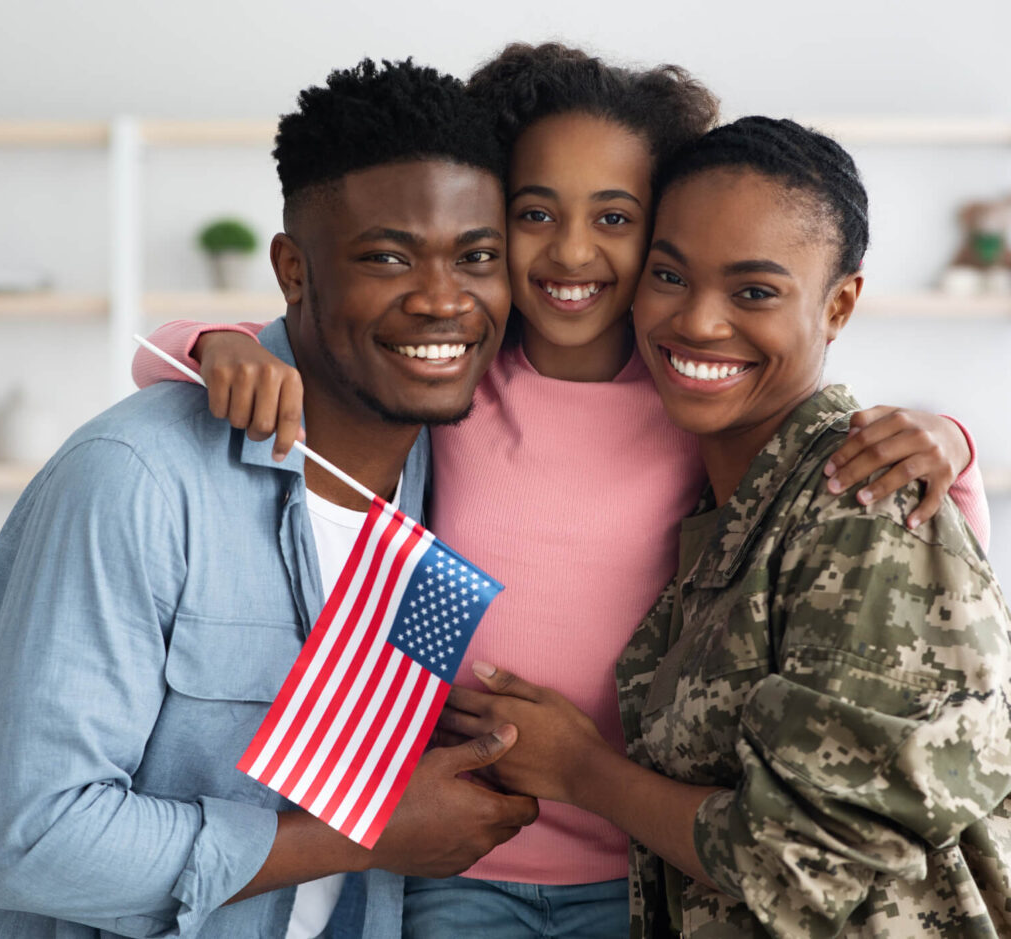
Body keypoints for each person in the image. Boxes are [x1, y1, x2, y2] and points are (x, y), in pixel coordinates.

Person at [131, 46, 991, 938]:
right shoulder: (453, 374)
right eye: (534, 212)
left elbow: (908, 515)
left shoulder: (690, 399)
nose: (573, 251)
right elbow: (217, 349)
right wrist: (212, 342)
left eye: (615, 218)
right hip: (457, 848)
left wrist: (954, 442)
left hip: (639, 864)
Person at [0, 59, 540, 939]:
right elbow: (32, 838)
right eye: (389, 256)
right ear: (293, 268)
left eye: (477, 258)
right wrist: (361, 836)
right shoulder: (134, 479)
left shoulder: (463, 476)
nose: (444, 299)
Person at [439, 117, 1011, 938]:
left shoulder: (865, 512)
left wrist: (580, 768)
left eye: (754, 291)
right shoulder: (731, 501)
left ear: (839, 303)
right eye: (670, 276)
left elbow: (801, 863)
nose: (700, 323)